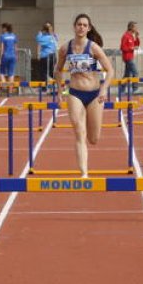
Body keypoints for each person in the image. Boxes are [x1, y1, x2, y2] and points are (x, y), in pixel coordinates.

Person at [54, 14, 115, 178]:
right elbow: (57, 70)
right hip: (74, 93)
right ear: (74, 26)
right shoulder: (65, 48)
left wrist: (103, 90)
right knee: (79, 132)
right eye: (79, 24)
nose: (81, 27)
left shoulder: (94, 47)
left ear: (88, 28)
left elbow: (110, 70)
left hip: (95, 94)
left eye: (84, 25)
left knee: (93, 139)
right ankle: (84, 173)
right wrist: (61, 90)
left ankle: (90, 134)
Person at [0, 22, 18, 93]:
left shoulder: (2, 36)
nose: (2, 29)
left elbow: (2, 48)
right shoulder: (14, 36)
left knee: (1, 72)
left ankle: (4, 86)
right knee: (11, 73)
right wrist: (16, 55)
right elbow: (16, 47)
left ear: (5, 28)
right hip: (13, 56)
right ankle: (10, 90)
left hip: (5, 56)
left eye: (2, 28)